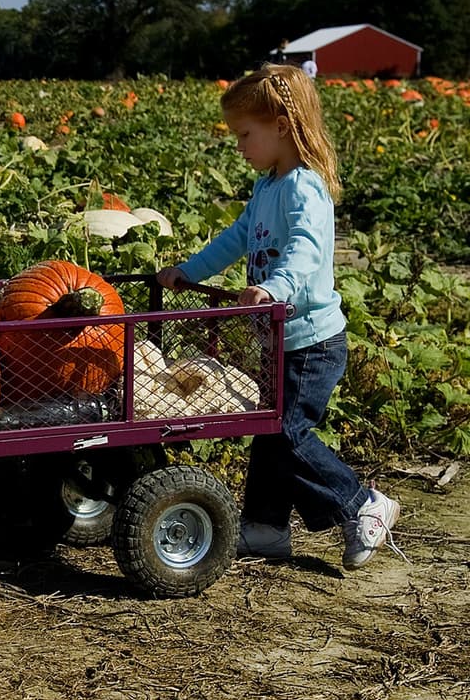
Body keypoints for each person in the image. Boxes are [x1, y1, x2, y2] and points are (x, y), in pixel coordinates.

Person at [156, 63, 399, 570]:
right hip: (278, 338)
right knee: (269, 431)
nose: (239, 146)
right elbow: (235, 239)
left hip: (313, 340)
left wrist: (273, 288)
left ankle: (363, 504)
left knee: (287, 432)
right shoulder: (267, 187)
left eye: (246, 134)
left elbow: (307, 252)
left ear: (282, 126)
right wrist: (188, 269)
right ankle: (265, 528)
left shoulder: (304, 187)